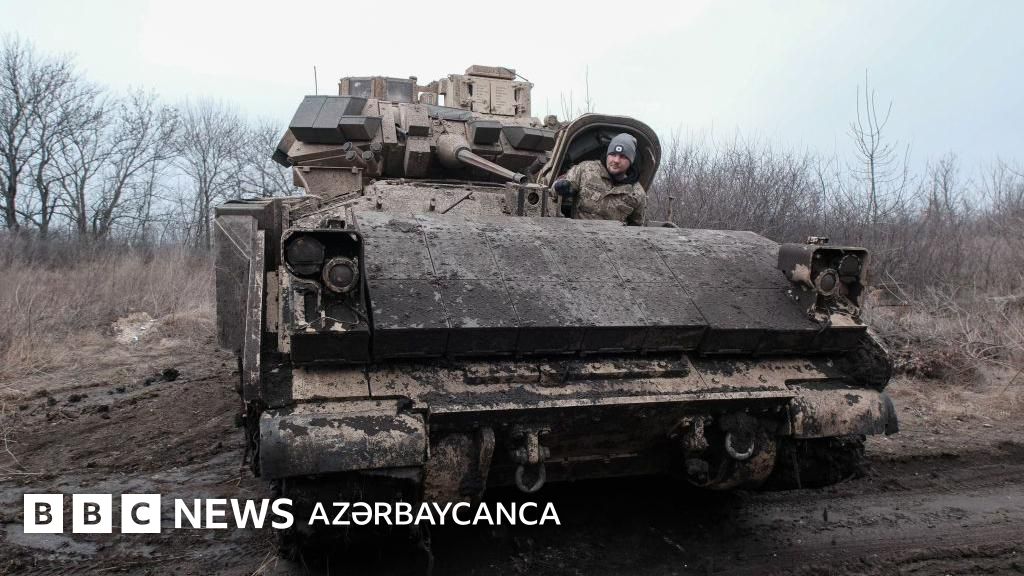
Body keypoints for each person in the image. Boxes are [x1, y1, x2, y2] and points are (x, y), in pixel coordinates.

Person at [552, 133, 647, 225]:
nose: (616, 160)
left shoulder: (637, 193)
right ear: (607, 154)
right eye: (613, 154)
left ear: (631, 161)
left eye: (623, 157)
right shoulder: (586, 169)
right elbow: (554, 193)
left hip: (613, 235)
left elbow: (636, 226)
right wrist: (562, 188)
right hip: (578, 232)